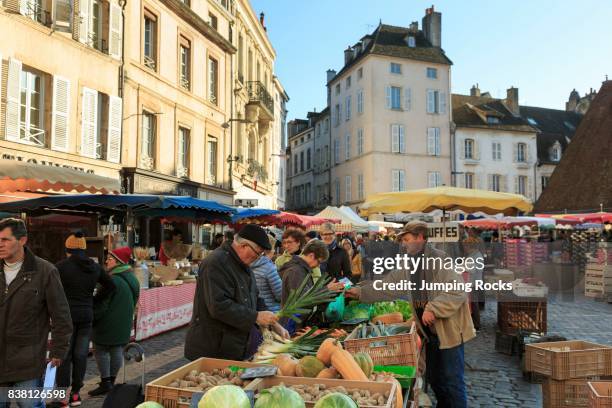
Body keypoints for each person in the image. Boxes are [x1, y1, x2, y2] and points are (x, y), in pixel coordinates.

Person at [347, 221, 475, 408]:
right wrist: (360, 292)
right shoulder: (409, 265)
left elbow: (457, 291)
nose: (403, 244)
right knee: (436, 380)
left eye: (407, 239)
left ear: (421, 237)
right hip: (430, 334)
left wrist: (434, 307)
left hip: (449, 333)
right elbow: (388, 285)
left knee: (451, 382)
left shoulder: (439, 260)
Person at [184, 224, 288, 361]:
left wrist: (274, 323)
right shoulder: (216, 263)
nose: (258, 257)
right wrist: (255, 317)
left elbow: (255, 298)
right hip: (212, 348)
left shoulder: (244, 265)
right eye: (258, 253)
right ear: (244, 245)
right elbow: (219, 306)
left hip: (232, 345)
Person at [0, 218, 73, 408]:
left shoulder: (45, 271)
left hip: (27, 362)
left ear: (22, 240)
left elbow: (61, 315)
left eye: (5, 240)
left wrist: (58, 351)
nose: (0, 244)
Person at [55, 233, 115, 406]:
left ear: (68, 249)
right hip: (86, 315)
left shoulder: (60, 267)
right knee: (81, 355)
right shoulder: (94, 266)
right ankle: (75, 394)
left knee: (64, 355)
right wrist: (94, 300)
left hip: (66, 317)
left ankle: (62, 396)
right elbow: (111, 286)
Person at [89, 247, 140, 397]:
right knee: (117, 349)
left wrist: (92, 317)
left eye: (110, 259)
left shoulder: (110, 279)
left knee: (101, 350)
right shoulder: (132, 277)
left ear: (118, 261)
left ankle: (106, 382)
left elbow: (101, 304)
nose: (106, 261)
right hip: (124, 321)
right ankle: (111, 380)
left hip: (107, 323)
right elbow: (135, 299)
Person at [279, 239, 344, 332]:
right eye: (319, 262)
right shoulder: (296, 272)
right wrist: (326, 290)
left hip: (296, 323)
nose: (318, 266)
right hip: (291, 325)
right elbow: (303, 300)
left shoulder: (301, 270)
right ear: (311, 255)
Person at [252, 235, 283, 312]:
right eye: (274, 248)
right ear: (270, 249)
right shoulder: (269, 268)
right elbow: (280, 295)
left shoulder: (248, 263)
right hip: (270, 311)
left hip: (254, 311)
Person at [462, 237, 484, 331]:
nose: (464, 248)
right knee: (473, 304)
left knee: (474, 304)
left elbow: (472, 269)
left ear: (470, 246)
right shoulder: (474, 254)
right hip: (474, 282)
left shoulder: (476, 256)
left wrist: (462, 267)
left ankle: (476, 325)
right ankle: (474, 324)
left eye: (465, 246)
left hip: (473, 283)